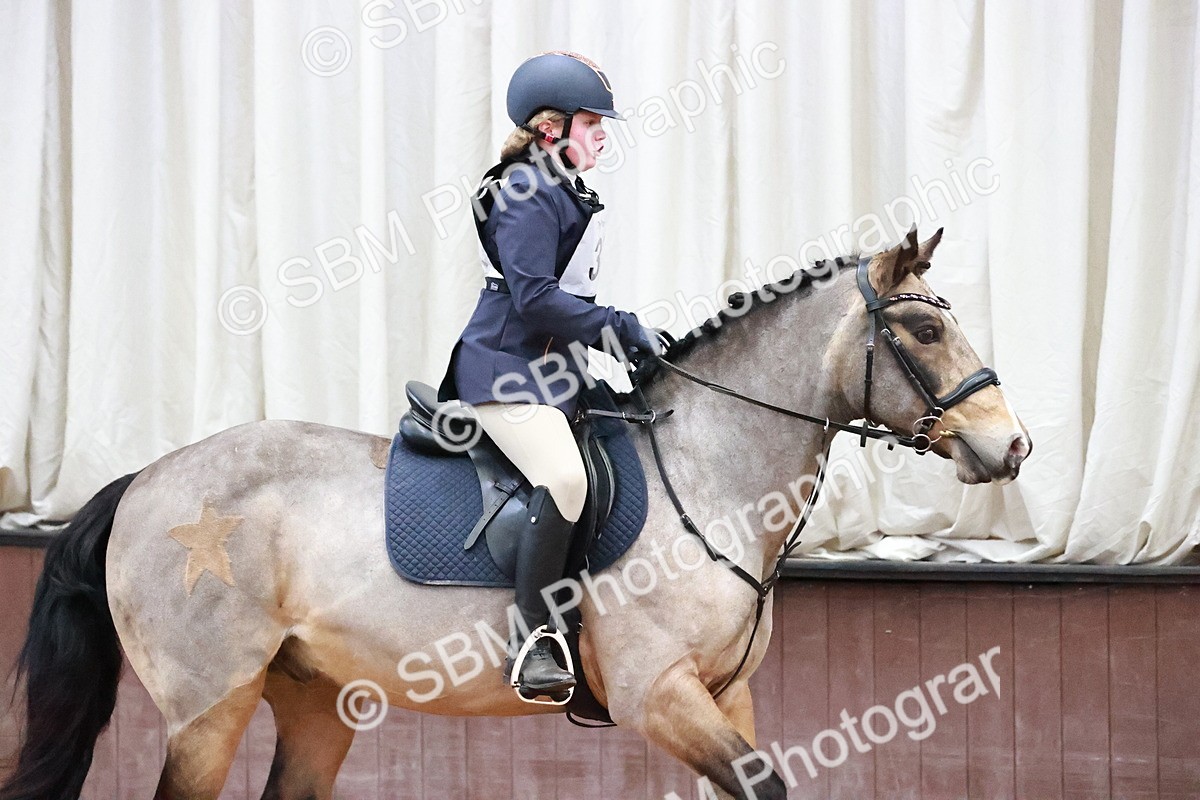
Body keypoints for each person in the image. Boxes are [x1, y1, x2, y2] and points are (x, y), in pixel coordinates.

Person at [437, 51, 662, 697]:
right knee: (563, 476)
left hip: (556, 368)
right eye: (593, 122)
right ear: (548, 128)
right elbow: (532, 297)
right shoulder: (526, 189)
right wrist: (615, 325)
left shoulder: (562, 187)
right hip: (506, 371)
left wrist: (631, 341)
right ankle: (532, 638)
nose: (603, 134)